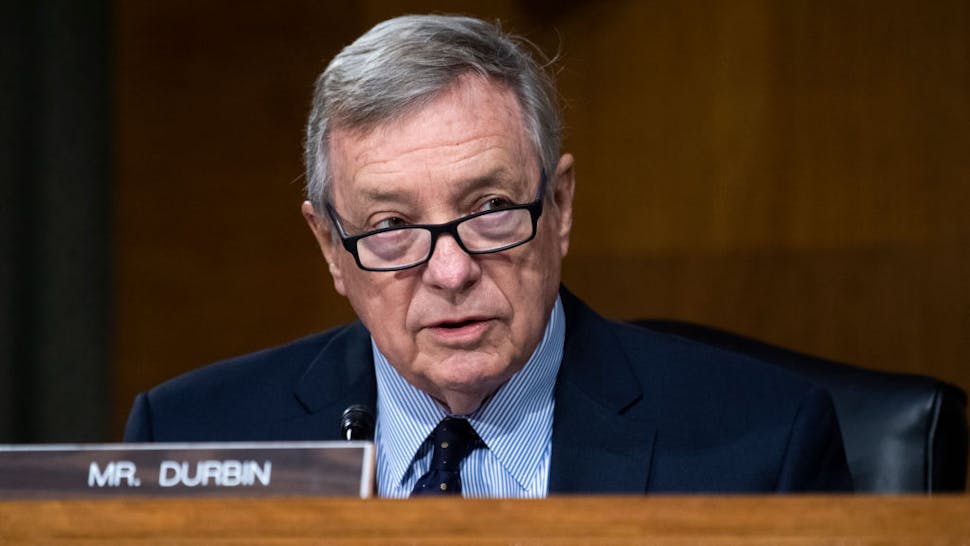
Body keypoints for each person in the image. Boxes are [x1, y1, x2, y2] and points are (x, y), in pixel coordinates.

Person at [124, 14, 853, 496]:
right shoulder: (190, 439)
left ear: (559, 207)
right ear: (330, 247)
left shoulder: (765, 447)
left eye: (490, 210)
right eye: (390, 225)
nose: (450, 272)